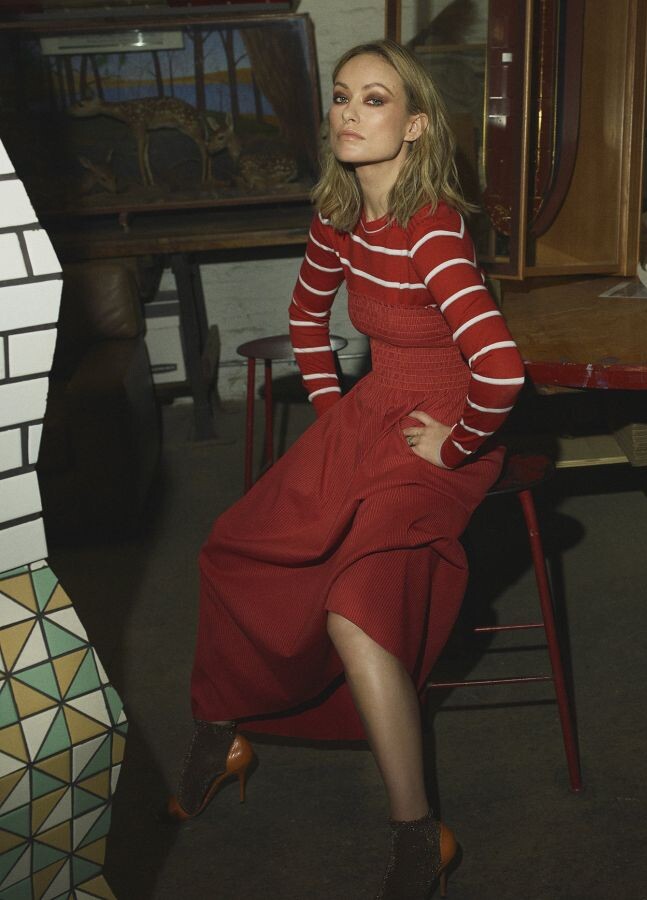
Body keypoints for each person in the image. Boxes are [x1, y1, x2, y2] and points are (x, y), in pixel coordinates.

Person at [167, 39, 525, 899]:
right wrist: (339, 423)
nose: (349, 113)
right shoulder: (340, 216)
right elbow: (305, 320)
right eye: (340, 96)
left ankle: (419, 832)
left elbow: (502, 369)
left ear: (416, 126)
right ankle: (221, 733)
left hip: (438, 437)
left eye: (375, 99)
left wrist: (456, 443)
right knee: (234, 548)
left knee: (354, 611)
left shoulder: (431, 230)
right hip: (372, 416)